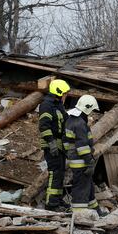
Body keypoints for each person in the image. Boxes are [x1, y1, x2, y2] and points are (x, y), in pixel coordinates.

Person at [64, 95, 100, 217]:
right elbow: (82, 146)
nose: (92, 114)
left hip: (76, 159)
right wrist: (89, 161)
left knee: (87, 185)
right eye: (92, 110)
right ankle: (79, 214)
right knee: (81, 187)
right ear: (88, 108)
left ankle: (96, 210)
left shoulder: (71, 119)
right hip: (81, 161)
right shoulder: (80, 123)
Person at [38, 79, 70, 210]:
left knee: (60, 173)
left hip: (60, 145)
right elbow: (44, 126)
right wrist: (51, 143)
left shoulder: (59, 105)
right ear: (58, 92)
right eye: (64, 93)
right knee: (54, 173)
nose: (65, 96)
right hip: (51, 145)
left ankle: (57, 200)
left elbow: (65, 122)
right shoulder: (46, 105)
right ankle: (51, 204)